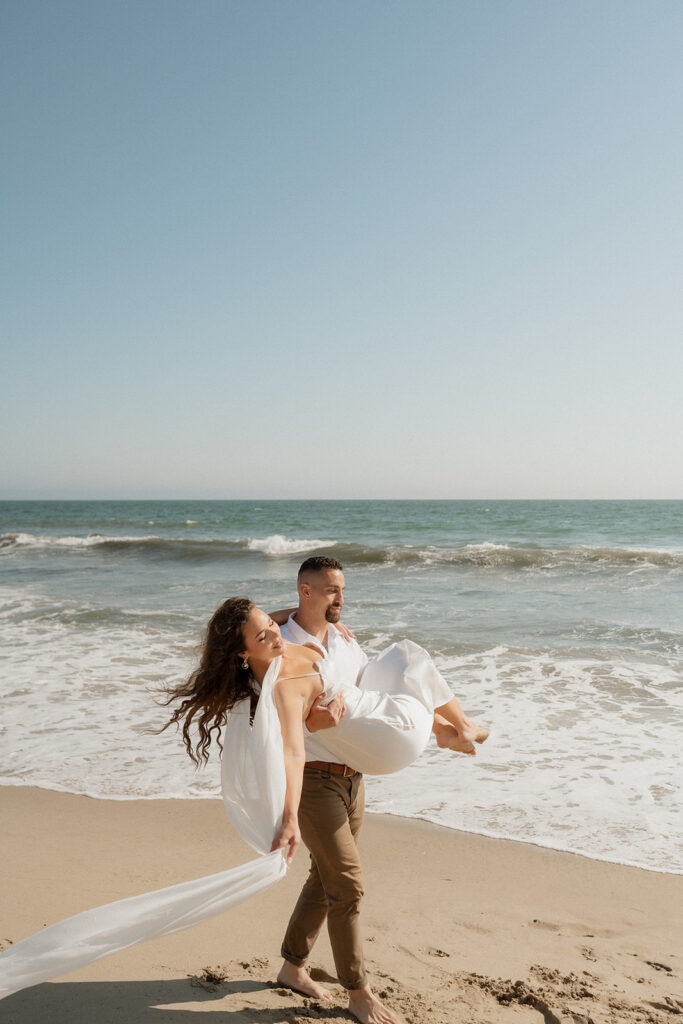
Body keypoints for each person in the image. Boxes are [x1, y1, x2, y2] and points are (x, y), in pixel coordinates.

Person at [165, 588, 489, 1024]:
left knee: (324, 877)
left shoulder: (288, 644)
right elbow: (292, 753)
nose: (275, 637)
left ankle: (292, 966)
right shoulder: (279, 687)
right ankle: (359, 993)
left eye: (271, 627)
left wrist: (308, 624)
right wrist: (288, 818)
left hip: (352, 772)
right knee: (347, 885)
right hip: (318, 785)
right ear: (242, 654)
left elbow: (280, 622)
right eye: (263, 638)